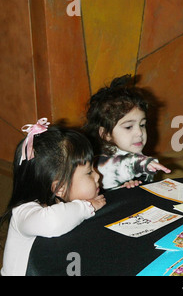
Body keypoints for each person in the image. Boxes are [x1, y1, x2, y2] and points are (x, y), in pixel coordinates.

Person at [0, 119, 106, 276]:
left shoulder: (60, 199)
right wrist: (87, 207)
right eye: (89, 172)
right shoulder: (23, 212)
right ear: (59, 188)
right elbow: (53, 222)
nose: (98, 176)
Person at [84, 75, 171, 190]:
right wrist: (140, 164)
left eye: (142, 125)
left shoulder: (136, 154)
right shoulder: (99, 162)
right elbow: (115, 169)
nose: (139, 132)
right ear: (106, 134)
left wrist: (135, 184)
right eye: (129, 127)